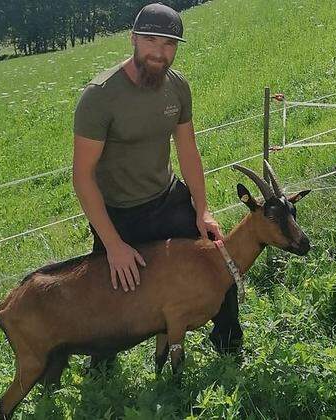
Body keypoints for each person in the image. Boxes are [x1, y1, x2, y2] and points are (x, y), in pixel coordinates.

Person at [72, 3, 243, 365]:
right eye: (150, 40)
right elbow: (83, 177)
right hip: (119, 213)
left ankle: (228, 345)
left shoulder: (177, 88)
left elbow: (188, 150)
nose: (159, 52)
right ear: (133, 39)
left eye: (169, 44)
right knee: (111, 296)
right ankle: (101, 370)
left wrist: (203, 208)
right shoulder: (100, 96)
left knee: (218, 258)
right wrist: (114, 245)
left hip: (166, 198)